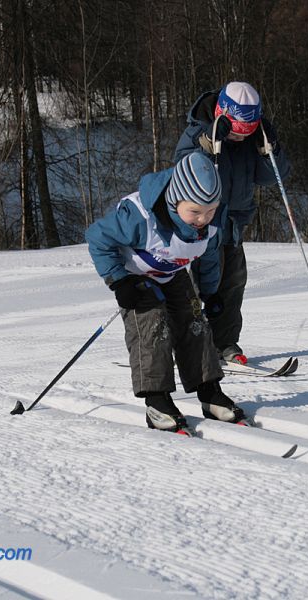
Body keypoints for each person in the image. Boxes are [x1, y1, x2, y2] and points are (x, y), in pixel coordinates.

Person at [85, 152, 246, 434]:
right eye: (194, 212)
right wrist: (119, 280)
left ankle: (209, 392)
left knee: (194, 322)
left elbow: (207, 257)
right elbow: (98, 237)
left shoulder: (213, 223)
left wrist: (210, 293)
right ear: (175, 201)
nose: (202, 219)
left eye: (209, 211)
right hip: (135, 277)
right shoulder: (138, 217)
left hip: (171, 274)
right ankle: (156, 400)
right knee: (152, 326)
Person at [173, 81, 290, 366]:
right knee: (198, 286)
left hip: (235, 222)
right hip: (203, 222)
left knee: (233, 283)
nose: (241, 138)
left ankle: (224, 343)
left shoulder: (253, 136)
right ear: (224, 114)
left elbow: (271, 177)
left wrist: (269, 150)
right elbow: (180, 169)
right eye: (238, 132)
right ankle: (186, 346)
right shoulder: (199, 130)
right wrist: (206, 145)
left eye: (247, 132)